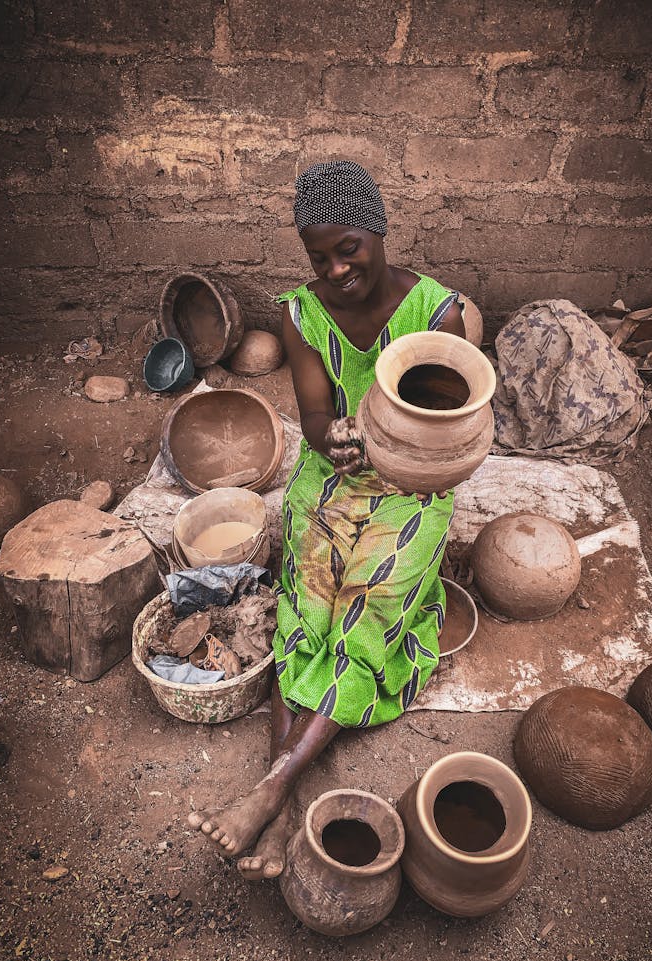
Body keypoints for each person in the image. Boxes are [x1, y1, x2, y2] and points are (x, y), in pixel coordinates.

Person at [188, 160, 465, 877]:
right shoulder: (301, 313)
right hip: (335, 473)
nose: (337, 268)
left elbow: (455, 426)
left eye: (350, 248)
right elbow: (314, 413)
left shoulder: (439, 313)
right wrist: (329, 437)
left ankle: (275, 787)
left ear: (379, 230)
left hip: (413, 483)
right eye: (320, 256)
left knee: (368, 600)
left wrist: (399, 453)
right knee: (308, 603)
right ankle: (285, 796)